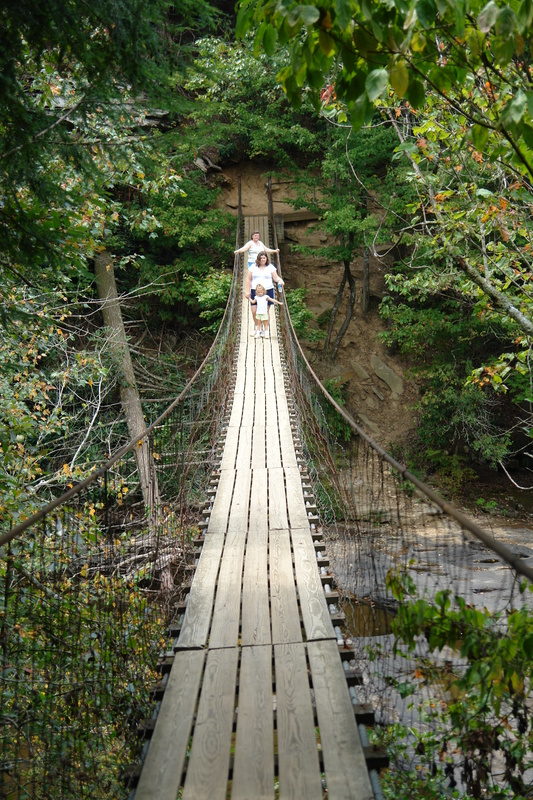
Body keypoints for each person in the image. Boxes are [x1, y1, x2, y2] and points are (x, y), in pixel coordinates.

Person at [245, 252, 284, 330]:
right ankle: (258, 328)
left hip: (267, 290)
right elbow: (248, 279)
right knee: (254, 311)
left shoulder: (270, 267)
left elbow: (276, 278)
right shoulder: (253, 267)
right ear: (258, 259)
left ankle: (265, 330)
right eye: (261, 258)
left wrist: (281, 280)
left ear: (266, 259)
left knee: (265, 311)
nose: (262, 260)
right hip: (255, 291)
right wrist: (247, 291)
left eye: (264, 258)